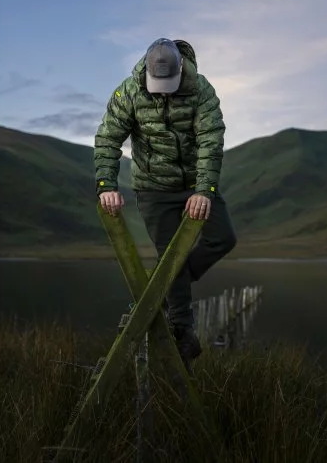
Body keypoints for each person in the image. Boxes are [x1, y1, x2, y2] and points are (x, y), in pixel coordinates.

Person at [94, 38, 237, 373]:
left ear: (181, 68)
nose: (163, 94)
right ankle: (183, 334)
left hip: (195, 187)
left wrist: (204, 190)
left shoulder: (201, 90)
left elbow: (211, 139)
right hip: (152, 189)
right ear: (146, 71)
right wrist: (106, 185)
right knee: (171, 254)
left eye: (169, 85)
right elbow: (108, 138)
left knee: (222, 239)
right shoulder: (129, 92)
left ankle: (169, 280)